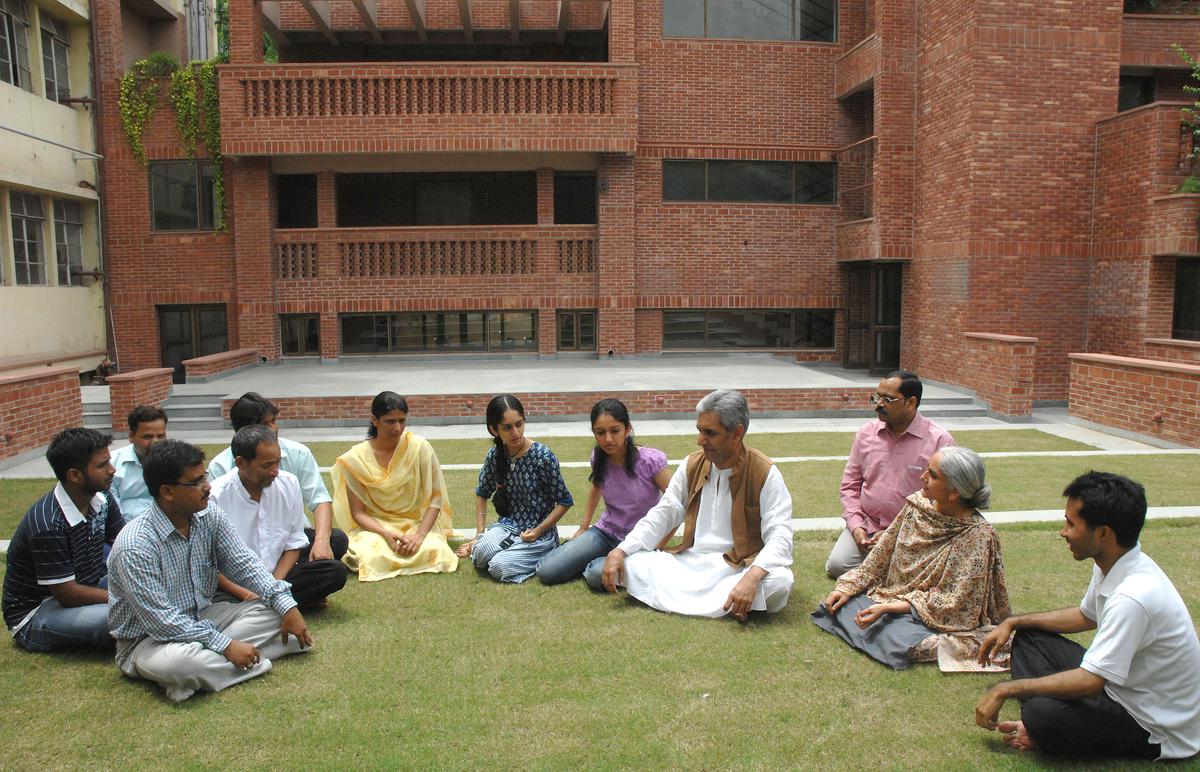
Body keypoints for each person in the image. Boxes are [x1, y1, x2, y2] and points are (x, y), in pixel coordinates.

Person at [974, 472, 1200, 760]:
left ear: (1102, 533)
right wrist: (1013, 621)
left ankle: (1041, 728)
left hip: (1152, 725)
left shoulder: (1134, 596)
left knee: (1041, 714)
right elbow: (1086, 616)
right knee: (1030, 637)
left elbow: (1090, 682)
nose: (1063, 531)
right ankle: (1046, 724)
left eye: (1071, 523)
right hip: (1120, 689)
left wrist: (1004, 688)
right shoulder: (1114, 561)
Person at [107, 439, 312, 703]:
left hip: (206, 615)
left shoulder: (209, 516)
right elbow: (161, 620)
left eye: (204, 476)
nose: (208, 487)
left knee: (274, 612)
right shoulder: (135, 546)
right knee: (182, 664)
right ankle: (252, 660)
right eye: (196, 482)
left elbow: (245, 564)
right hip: (148, 641)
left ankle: (197, 677)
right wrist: (225, 645)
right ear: (167, 492)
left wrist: (288, 608)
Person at [599, 389, 793, 621]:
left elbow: (780, 535)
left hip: (738, 568)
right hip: (690, 564)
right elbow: (665, 512)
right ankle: (733, 605)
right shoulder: (692, 464)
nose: (700, 440)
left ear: (737, 433)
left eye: (709, 433)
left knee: (780, 580)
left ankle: (737, 596)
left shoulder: (764, 472)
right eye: (700, 431)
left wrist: (751, 578)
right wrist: (621, 550)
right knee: (634, 561)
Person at [811, 447, 1009, 669]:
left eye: (932, 475)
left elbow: (957, 604)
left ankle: (888, 630)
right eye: (926, 470)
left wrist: (890, 608)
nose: (922, 477)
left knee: (916, 642)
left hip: (935, 618)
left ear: (954, 492)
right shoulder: (916, 505)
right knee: (841, 605)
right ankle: (881, 626)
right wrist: (847, 588)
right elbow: (880, 557)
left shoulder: (978, 536)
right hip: (893, 597)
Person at [3, 429, 125, 651]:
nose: (112, 469)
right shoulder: (48, 524)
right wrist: (125, 598)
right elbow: (67, 595)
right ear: (75, 475)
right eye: (102, 465)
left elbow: (125, 546)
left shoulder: (102, 499)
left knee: (154, 585)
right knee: (121, 614)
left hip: (86, 586)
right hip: (38, 612)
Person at [826, 370, 955, 578]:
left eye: (887, 399)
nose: (879, 404)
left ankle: (889, 566)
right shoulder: (866, 433)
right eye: (877, 397)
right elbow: (850, 485)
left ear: (911, 403)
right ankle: (889, 567)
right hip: (867, 526)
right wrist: (856, 526)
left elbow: (943, 501)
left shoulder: (940, 441)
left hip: (914, 532)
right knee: (838, 566)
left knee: (923, 570)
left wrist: (895, 533)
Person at [535, 399, 671, 586]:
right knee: (546, 571)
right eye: (600, 432)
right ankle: (585, 558)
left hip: (640, 539)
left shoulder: (651, 461)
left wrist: (659, 545)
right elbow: (596, 486)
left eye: (615, 431)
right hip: (606, 533)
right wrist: (583, 527)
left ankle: (591, 563)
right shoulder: (598, 457)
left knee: (595, 575)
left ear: (627, 429)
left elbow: (675, 504)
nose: (608, 439)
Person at [210, 425, 348, 607]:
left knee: (335, 571)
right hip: (236, 584)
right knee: (215, 597)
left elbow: (294, 542)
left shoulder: (288, 483)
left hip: (279, 573)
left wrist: (273, 586)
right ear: (241, 463)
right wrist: (245, 592)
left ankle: (265, 605)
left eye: (277, 462)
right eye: (267, 465)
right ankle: (275, 604)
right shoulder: (215, 496)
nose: (275, 471)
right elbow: (210, 564)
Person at [330, 391, 458, 581]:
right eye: (390, 421)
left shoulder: (419, 447)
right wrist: (386, 534)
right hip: (377, 527)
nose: (397, 428)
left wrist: (420, 536)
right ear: (375, 420)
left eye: (402, 421)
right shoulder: (355, 459)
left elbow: (435, 500)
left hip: (415, 523)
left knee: (436, 550)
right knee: (369, 556)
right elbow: (358, 513)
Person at [456, 394, 574, 583]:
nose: (516, 433)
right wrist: (479, 533)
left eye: (519, 424)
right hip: (508, 526)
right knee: (480, 556)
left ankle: (538, 552)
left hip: (539, 534)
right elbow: (482, 492)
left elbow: (565, 501)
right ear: (494, 430)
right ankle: (497, 547)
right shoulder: (495, 455)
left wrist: (539, 530)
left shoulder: (543, 456)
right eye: (507, 428)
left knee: (497, 566)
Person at [208, 392, 339, 563]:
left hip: (289, 538)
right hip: (244, 546)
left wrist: (321, 541)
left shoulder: (297, 453)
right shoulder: (221, 467)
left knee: (336, 541)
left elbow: (319, 500)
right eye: (265, 424)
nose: (273, 429)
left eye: (273, 421)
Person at [110, 405, 168, 519]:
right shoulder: (112, 465)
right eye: (147, 437)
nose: (155, 442)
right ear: (131, 436)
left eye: (161, 436)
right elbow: (112, 513)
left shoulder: (176, 463)